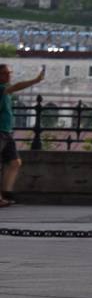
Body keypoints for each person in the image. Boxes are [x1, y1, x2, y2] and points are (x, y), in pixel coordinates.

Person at [0, 63, 45, 207]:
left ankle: (6, 192)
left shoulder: (5, 90)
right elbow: (16, 86)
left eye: (9, 72)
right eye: (4, 73)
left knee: (15, 162)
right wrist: (35, 80)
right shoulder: (2, 89)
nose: (8, 75)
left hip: (6, 131)